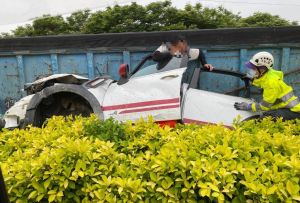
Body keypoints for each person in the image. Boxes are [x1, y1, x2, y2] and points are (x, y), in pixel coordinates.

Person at [234, 51, 300, 120]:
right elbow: (262, 81)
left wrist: (249, 106)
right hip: (287, 108)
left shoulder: (271, 82)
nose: (251, 70)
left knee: (265, 117)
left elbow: (264, 106)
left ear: (262, 69)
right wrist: (252, 79)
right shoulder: (268, 74)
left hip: (293, 111)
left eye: (253, 68)